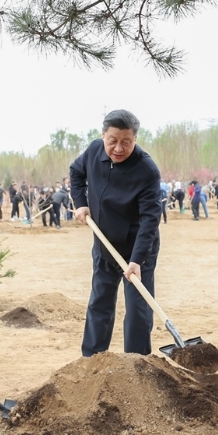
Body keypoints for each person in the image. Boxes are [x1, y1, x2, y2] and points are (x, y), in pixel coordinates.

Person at [71, 109, 161, 357]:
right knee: (99, 303)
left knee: (138, 308)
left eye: (126, 142)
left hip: (137, 249)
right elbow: (76, 173)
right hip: (104, 244)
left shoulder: (147, 171)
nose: (118, 148)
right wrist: (81, 202)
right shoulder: (93, 151)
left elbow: (149, 221)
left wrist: (137, 260)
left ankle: (137, 364)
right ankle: (93, 360)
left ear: (135, 140)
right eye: (113, 141)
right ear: (103, 136)